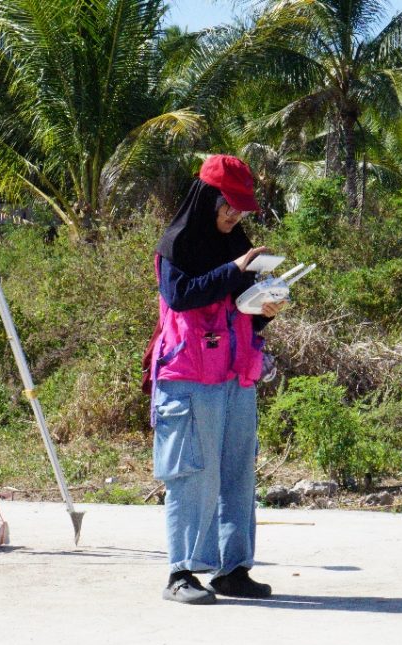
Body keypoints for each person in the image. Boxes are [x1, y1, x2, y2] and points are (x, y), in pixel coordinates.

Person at [147, 154, 284, 605]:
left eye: (243, 208)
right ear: (208, 198)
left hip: (235, 378)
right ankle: (180, 573)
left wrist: (263, 309)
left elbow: (235, 313)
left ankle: (232, 570)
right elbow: (182, 297)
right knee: (192, 475)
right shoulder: (177, 244)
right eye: (229, 204)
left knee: (238, 475)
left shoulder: (237, 246)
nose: (235, 215)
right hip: (188, 379)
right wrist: (236, 270)